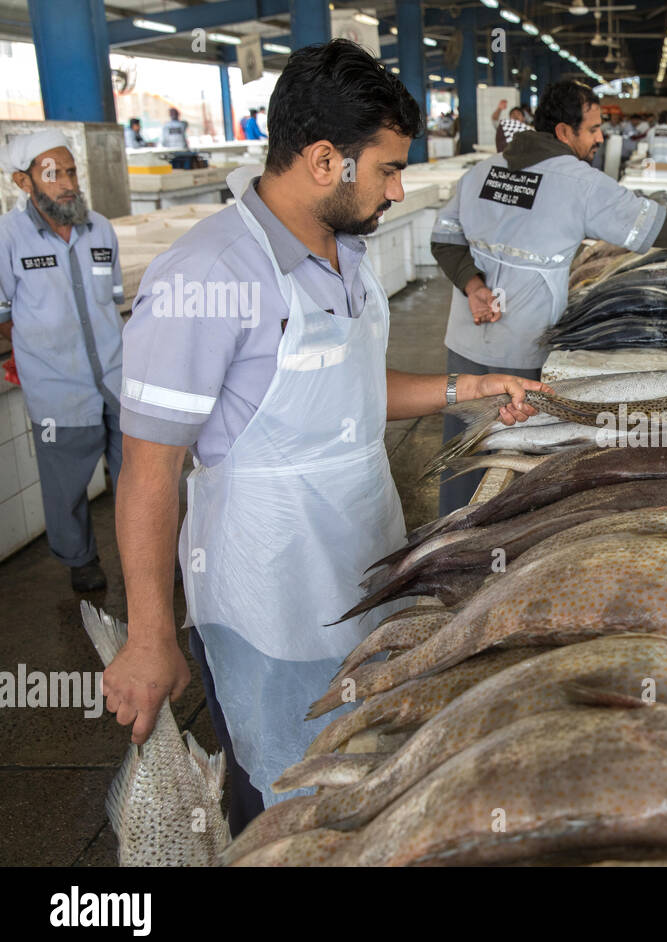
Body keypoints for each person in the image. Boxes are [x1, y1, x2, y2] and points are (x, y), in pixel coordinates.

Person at [108, 40, 545, 833]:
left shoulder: (346, 251)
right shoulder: (206, 275)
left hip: (361, 566)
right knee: (286, 798)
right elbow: (149, 466)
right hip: (267, 595)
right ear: (323, 160)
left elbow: (342, 393)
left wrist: (471, 389)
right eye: (386, 169)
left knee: (358, 782)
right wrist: (146, 637)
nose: (398, 189)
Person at [431, 80, 667, 517]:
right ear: (562, 131)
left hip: (466, 335)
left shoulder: (482, 172)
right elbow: (649, 225)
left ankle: (447, 533)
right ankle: (490, 548)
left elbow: (444, 241)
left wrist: (473, 286)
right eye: (593, 128)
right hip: (525, 346)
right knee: (517, 455)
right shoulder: (578, 182)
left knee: (461, 448)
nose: (600, 137)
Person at [0, 131, 125, 593]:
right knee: (66, 486)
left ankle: (156, 552)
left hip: (115, 377)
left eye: (70, 171)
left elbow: (112, 303)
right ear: (23, 181)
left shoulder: (101, 229)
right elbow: (1, 314)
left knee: (138, 476)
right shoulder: (7, 237)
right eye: (53, 174)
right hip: (58, 386)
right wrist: (35, 352)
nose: (67, 182)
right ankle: (81, 560)